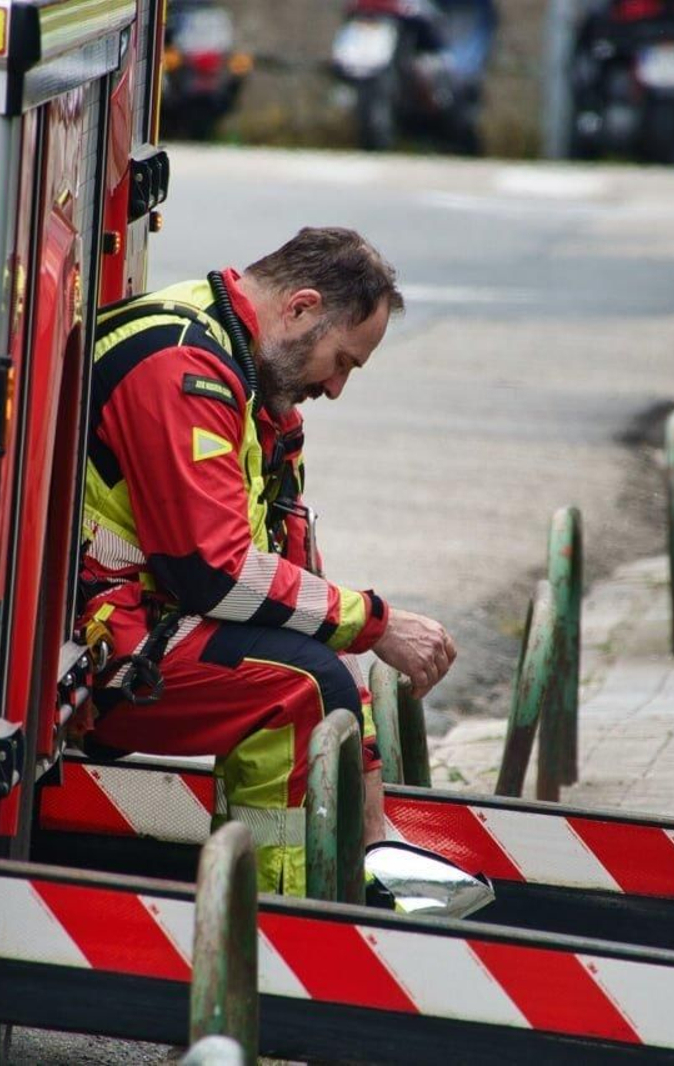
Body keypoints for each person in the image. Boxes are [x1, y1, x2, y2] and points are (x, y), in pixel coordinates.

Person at [74, 227, 457, 896]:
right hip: (98, 643)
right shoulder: (185, 367)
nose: (335, 388)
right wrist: (375, 623)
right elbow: (215, 572)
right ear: (301, 308)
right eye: (342, 362)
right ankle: (280, 920)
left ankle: (365, 852)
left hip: (143, 616)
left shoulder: (242, 371)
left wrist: (352, 637)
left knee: (324, 661)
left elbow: (286, 578)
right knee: (295, 688)